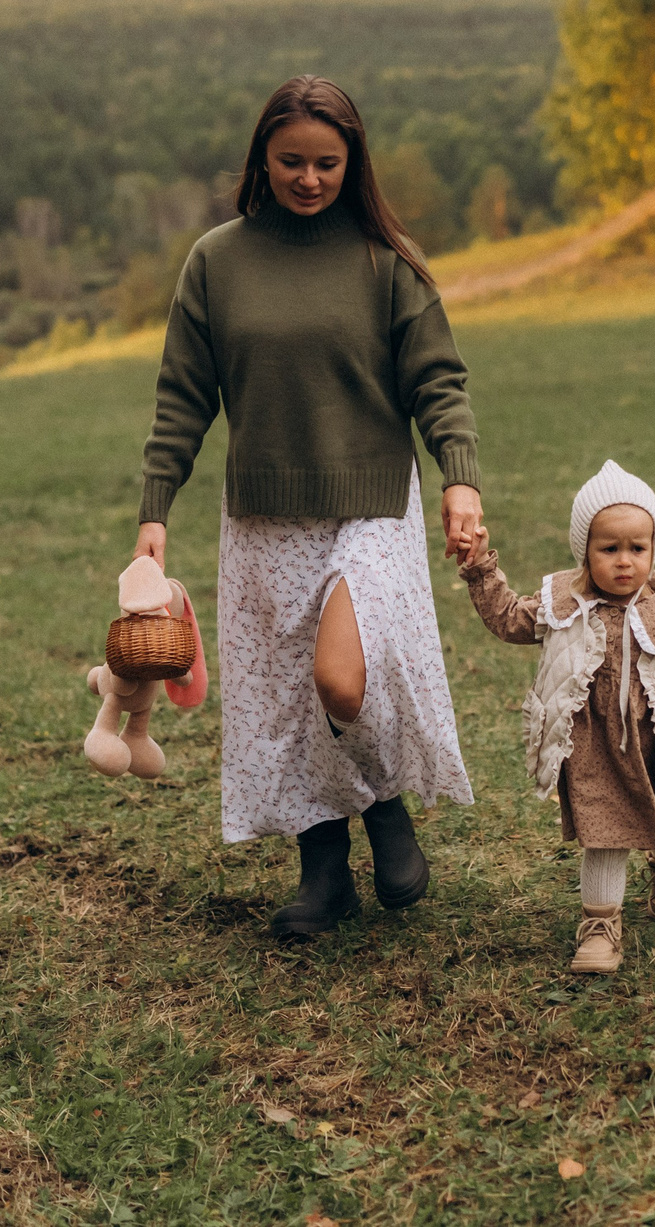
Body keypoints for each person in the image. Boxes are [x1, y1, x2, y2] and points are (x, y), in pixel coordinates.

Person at [133, 75, 482, 939]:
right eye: (292, 160)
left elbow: (438, 380)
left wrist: (459, 476)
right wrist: (154, 511)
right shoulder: (217, 260)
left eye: (328, 162)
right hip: (262, 513)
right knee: (287, 699)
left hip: (369, 502)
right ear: (262, 158)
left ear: (352, 162)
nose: (310, 178)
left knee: (339, 677)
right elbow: (183, 393)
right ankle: (324, 875)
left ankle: (388, 808)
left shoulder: (384, 260)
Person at [457, 460, 655, 974]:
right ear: (585, 549)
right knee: (604, 834)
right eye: (609, 549)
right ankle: (601, 926)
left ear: (654, 548)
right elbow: (509, 619)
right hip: (591, 746)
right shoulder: (566, 603)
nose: (625, 562)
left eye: (637, 549)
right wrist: (481, 569)